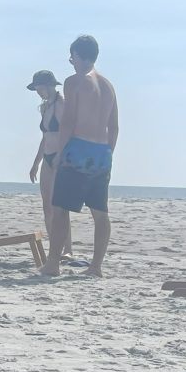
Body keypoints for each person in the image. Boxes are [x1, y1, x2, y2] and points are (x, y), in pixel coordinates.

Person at [40, 35, 119, 278]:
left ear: (78, 56)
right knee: (100, 212)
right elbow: (114, 127)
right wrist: (108, 153)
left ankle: (53, 264)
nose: (70, 61)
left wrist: (63, 151)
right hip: (101, 151)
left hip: (78, 148)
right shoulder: (108, 86)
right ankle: (96, 266)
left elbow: (69, 120)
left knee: (61, 208)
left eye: (72, 57)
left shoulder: (74, 82)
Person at [26, 70, 72, 260]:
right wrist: (36, 162)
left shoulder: (63, 104)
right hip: (47, 156)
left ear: (50, 85)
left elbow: (68, 133)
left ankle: (67, 249)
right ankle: (55, 247)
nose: (38, 92)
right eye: (36, 89)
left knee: (61, 206)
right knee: (47, 206)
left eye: (40, 88)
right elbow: (45, 137)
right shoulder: (44, 108)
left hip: (62, 157)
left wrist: (62, 156)